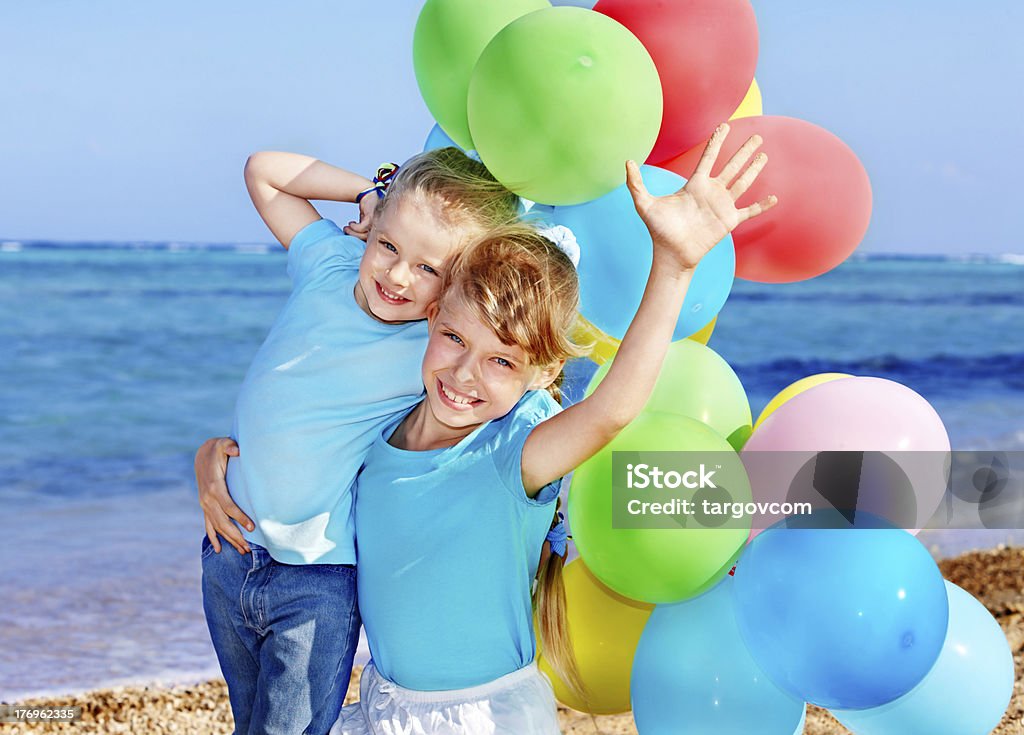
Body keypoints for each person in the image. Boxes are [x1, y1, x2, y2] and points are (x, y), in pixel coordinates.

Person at [331, 123, 776, 734]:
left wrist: (673, 263)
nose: (464, 374)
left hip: (482, 720)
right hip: (384, 706)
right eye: (456, 339)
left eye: (501, 361)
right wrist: (216, 462)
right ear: (431, 316)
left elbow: (612, 408)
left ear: (539, 375)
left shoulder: (511, 456)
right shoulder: (377, 431)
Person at [196, 146, 520, 735]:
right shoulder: (332, 262)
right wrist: (372, 192)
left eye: (429, 269)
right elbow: (263, 170)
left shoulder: (437, 345)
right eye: (390, 245)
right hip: (227, 553)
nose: (397, 275)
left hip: (315, 582)